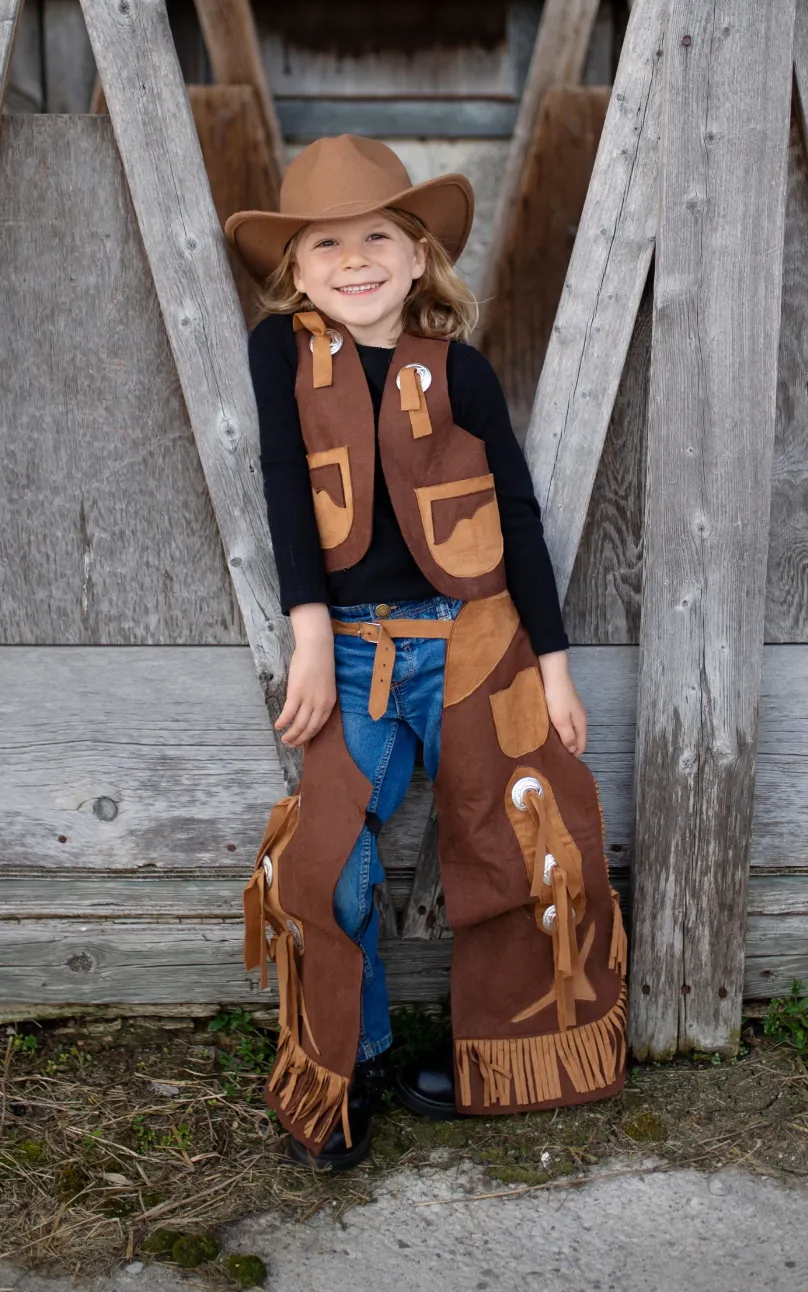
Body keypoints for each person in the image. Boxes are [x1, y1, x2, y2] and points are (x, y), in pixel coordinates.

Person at [229, 135, 627, 1174]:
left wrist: (552, 663)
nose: (352, 261)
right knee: (327, 858)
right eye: (325, 244)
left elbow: (521, 517)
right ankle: (346, 1061)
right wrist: (309, 632)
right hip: (356, 655)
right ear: (296, 268)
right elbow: (283, 484)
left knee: (512, 838)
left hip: (473, 641)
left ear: (416, 258)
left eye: (376, 238)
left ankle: (508, 1054)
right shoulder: (282, 355)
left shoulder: (462, 372)